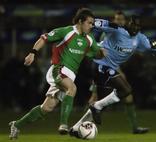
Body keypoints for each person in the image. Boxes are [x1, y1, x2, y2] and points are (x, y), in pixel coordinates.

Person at [8, 8, 106, 140]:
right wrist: (32, 53)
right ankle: (63, 125)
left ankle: (17, 125)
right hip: (58, 69)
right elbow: (43, 39)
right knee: (72, 88)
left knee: (46, 108)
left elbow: (98, 54)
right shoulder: (66, 32)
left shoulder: (89, 39)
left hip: (70, 75)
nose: (91, 26)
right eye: (89, 23)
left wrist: (103, 52)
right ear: (81, 21)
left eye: (92, 24)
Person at [69, 15, 156, 137]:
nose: (135, 27)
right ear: (128, 23)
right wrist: (82, 28)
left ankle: (75, 128)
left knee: (103, 102)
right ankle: (97, 107)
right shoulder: (116, 29)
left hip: (108, 68)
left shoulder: (139, 38)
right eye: (133, 24)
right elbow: (95, 23)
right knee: (125, 89)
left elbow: (152, 47)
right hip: (99, 65)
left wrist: (155, 47)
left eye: (138, 26)